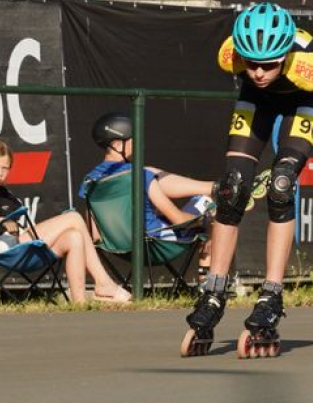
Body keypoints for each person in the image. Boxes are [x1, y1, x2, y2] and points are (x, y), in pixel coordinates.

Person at [181, 2, 313, 358]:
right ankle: (214, 290)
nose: (257, 71)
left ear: (284, 55)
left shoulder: (308, 66)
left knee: (281, 185)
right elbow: (251, 73)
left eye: (268, 64)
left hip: (304, 100)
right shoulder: (230, 55)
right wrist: (259, 72)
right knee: (232, 188)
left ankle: (272, 293)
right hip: (258, 104)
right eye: (251, 63)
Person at [0, 139, 131, 304]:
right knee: (74, 217)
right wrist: (3, 222)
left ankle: (79, 302)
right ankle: (103, 283)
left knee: (74, 236)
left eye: (5, 168)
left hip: (24, 246)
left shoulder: (6, 194)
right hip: (10, 250)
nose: (1, 173)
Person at [81, 112, 214, 273]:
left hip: (120, 250)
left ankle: (215, 187)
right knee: (212, 206)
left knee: (151, 172)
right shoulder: (140, 175)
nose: (138, 143)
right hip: (156, 245)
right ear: (117, 145)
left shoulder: (89, 182)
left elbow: (94, 234)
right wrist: (203, 218)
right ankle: (207, 284)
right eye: (133, 139)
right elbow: (179, 220)